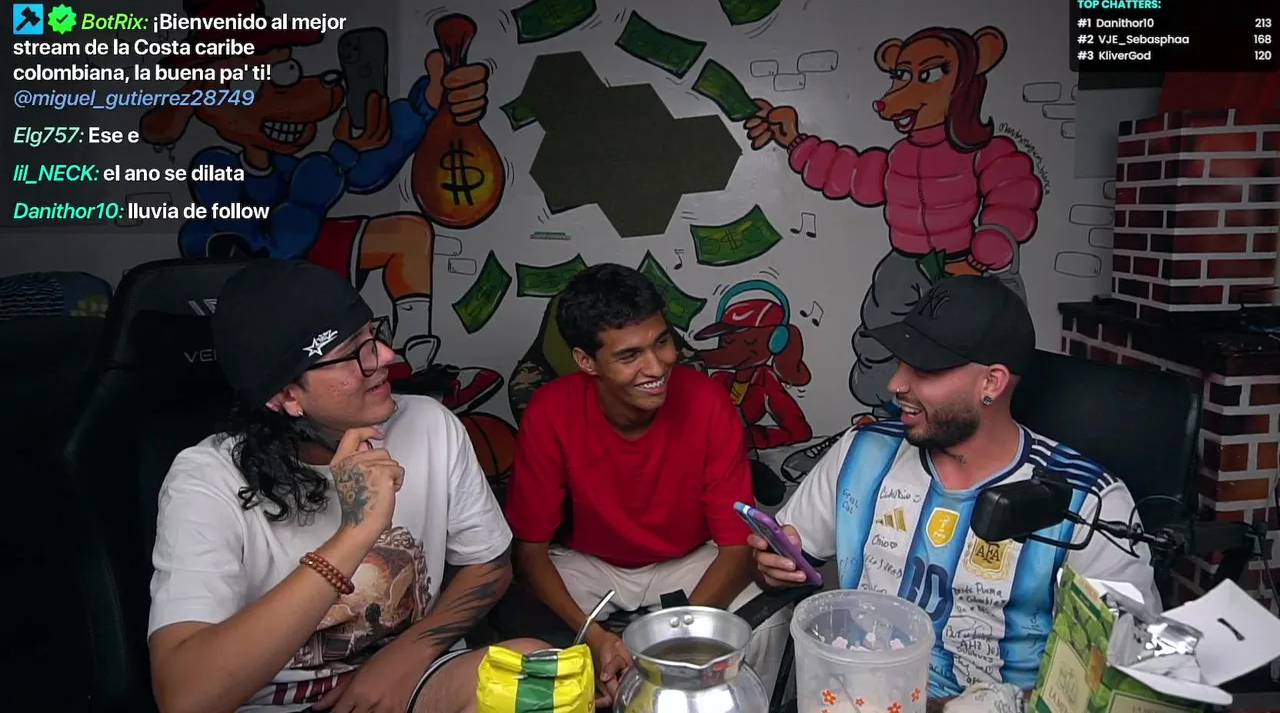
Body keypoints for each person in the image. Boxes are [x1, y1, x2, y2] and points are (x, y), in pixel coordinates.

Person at [147, 260, 544, 713]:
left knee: (534, 673)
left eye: (374, 335)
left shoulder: (430, 425)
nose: (387, 357)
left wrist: (408, 653)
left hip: (413, 681)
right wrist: (356, 532)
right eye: (356, 352)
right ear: (286, 396)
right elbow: (185, 697)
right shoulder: (207, 479)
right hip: (282, 703)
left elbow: (489, 564)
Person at [752, 275, 1159, 710]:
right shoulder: (861, 454)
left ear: (992, 382)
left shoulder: (1089, 503)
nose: (896, 384)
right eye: (901, 361)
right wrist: (773, 567)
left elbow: (1119, 678)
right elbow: (781, 564)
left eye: (924, 369)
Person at [505, 263, 791, 705]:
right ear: (586, 361)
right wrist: (596, 638)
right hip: (590, 564)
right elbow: (529, 551)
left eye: (662, 342)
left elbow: (736, 548)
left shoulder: (708, 402)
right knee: (512, 616)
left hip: (688, 559)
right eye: (629, 355)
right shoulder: (550, 411)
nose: (657, 366)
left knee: (768, 619)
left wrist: (668, 641)